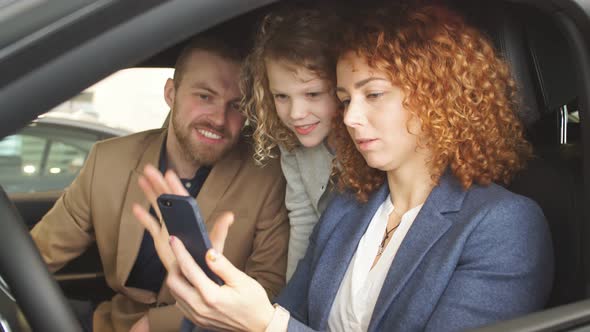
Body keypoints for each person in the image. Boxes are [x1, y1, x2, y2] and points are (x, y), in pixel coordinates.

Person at [136, 4, 554, 332]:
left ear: (437, 98)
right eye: (345, 98)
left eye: (373, 94)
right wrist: (206, 299)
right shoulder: (347, 208)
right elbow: (286, 314)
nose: (349, 117)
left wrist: (268, 324)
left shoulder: (503, 225)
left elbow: (277, 324)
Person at [30, 36, 289, 332]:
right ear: (171, 93)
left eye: (237, 105)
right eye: (205, 96)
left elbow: (268, 291)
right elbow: (39, 254)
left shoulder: (267, 177)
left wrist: (159, 323)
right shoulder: (108, 161)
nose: (219, 118)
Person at [241, 6, 341, 280]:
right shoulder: (292, 145)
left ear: (341, 86)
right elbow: (303, 219)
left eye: (312, 93)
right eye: (281, 96)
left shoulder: (371, 145)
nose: (295, 113)